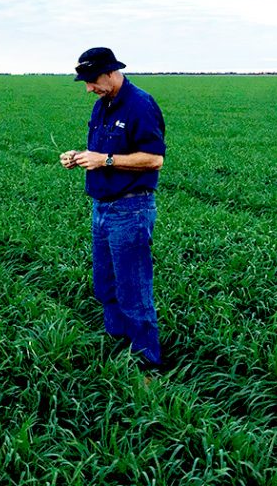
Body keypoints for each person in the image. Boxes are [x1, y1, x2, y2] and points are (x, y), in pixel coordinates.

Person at [60, 47, 167, 368]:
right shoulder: (101, 106)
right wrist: (79, 157)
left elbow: (154, 158)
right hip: (102, 207)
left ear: (111, 72)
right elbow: (101, 153)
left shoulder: (140, 104)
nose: (88, 87)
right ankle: (118, 345)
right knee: (105, 283)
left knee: (133, 289)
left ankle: (147, 364)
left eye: (92, 80)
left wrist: (104, 159)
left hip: (131, 208)